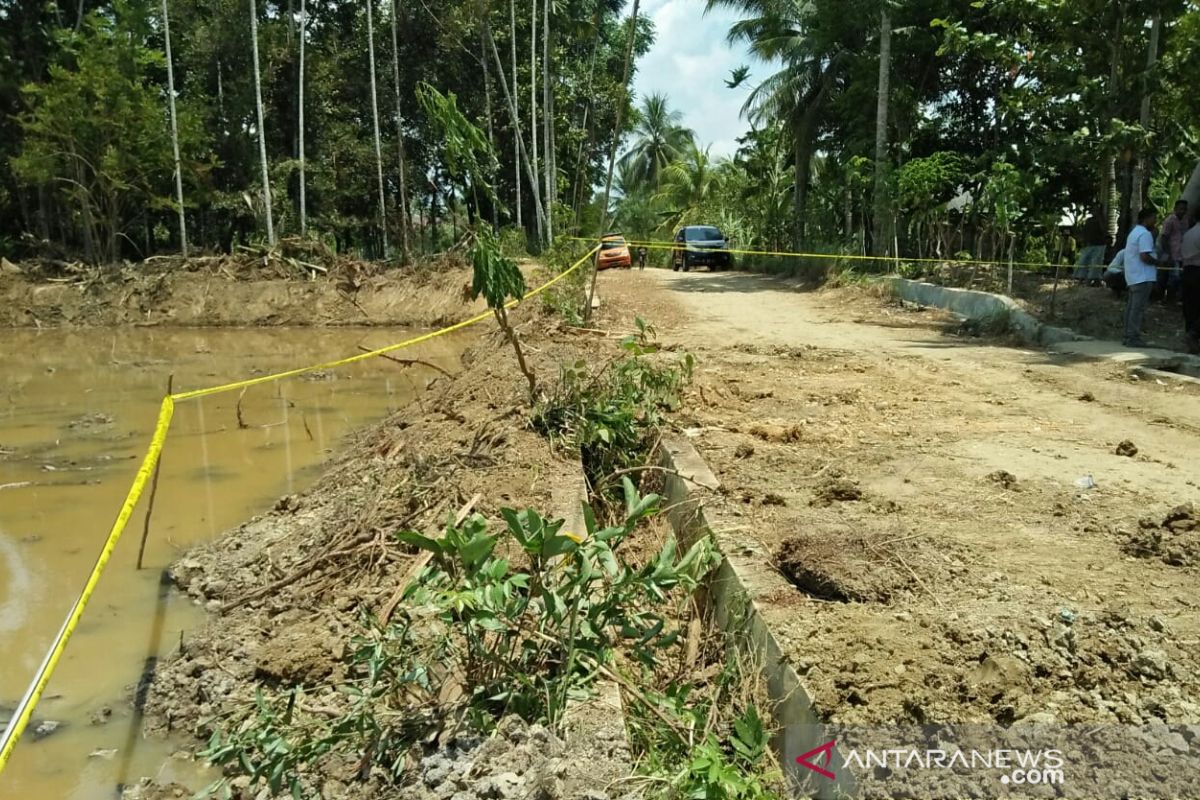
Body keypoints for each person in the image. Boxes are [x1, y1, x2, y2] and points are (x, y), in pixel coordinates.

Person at [1123, 207, 1159, 348]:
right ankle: (1133, 337)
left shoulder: (1134, 232)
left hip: (1133, 276)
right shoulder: (1144, 234)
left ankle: (1128, 335)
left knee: (1132, 307)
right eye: (1154, 218)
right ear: (1147, 218)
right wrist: (1158, 262)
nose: (1155, 221)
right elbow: (1144, 256)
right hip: (1143, 276)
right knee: (1137, 309)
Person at [1158, 199, 1188, 301]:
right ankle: (1166, 298)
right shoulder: (1170, 220)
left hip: (1181, 254)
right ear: (1175, 209)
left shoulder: (1185, 220)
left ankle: (1172, 298)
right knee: (1172, 277)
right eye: (1180, 209)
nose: (1182, 211)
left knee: (1177, 277)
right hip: (1171, 253)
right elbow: (1164, 238)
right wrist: (1168, 254)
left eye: (1184, 209)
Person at [1073, 209, 1109, 284]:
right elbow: (1085, 231)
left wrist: (1100, 218)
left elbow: (1104, 230)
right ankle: (1081, 278)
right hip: (1088, 244)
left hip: (1099, 244)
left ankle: (1091, 280)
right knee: (1083, 261)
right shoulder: (1089, 220)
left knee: (1096, 263)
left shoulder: (1102, 220)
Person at [1181, 213, 1200, 353]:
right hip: (1198, 271)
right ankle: (1194, 334)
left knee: (1190, 308)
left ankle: (1190, 340)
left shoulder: (1188, 234)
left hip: (1187, 271)